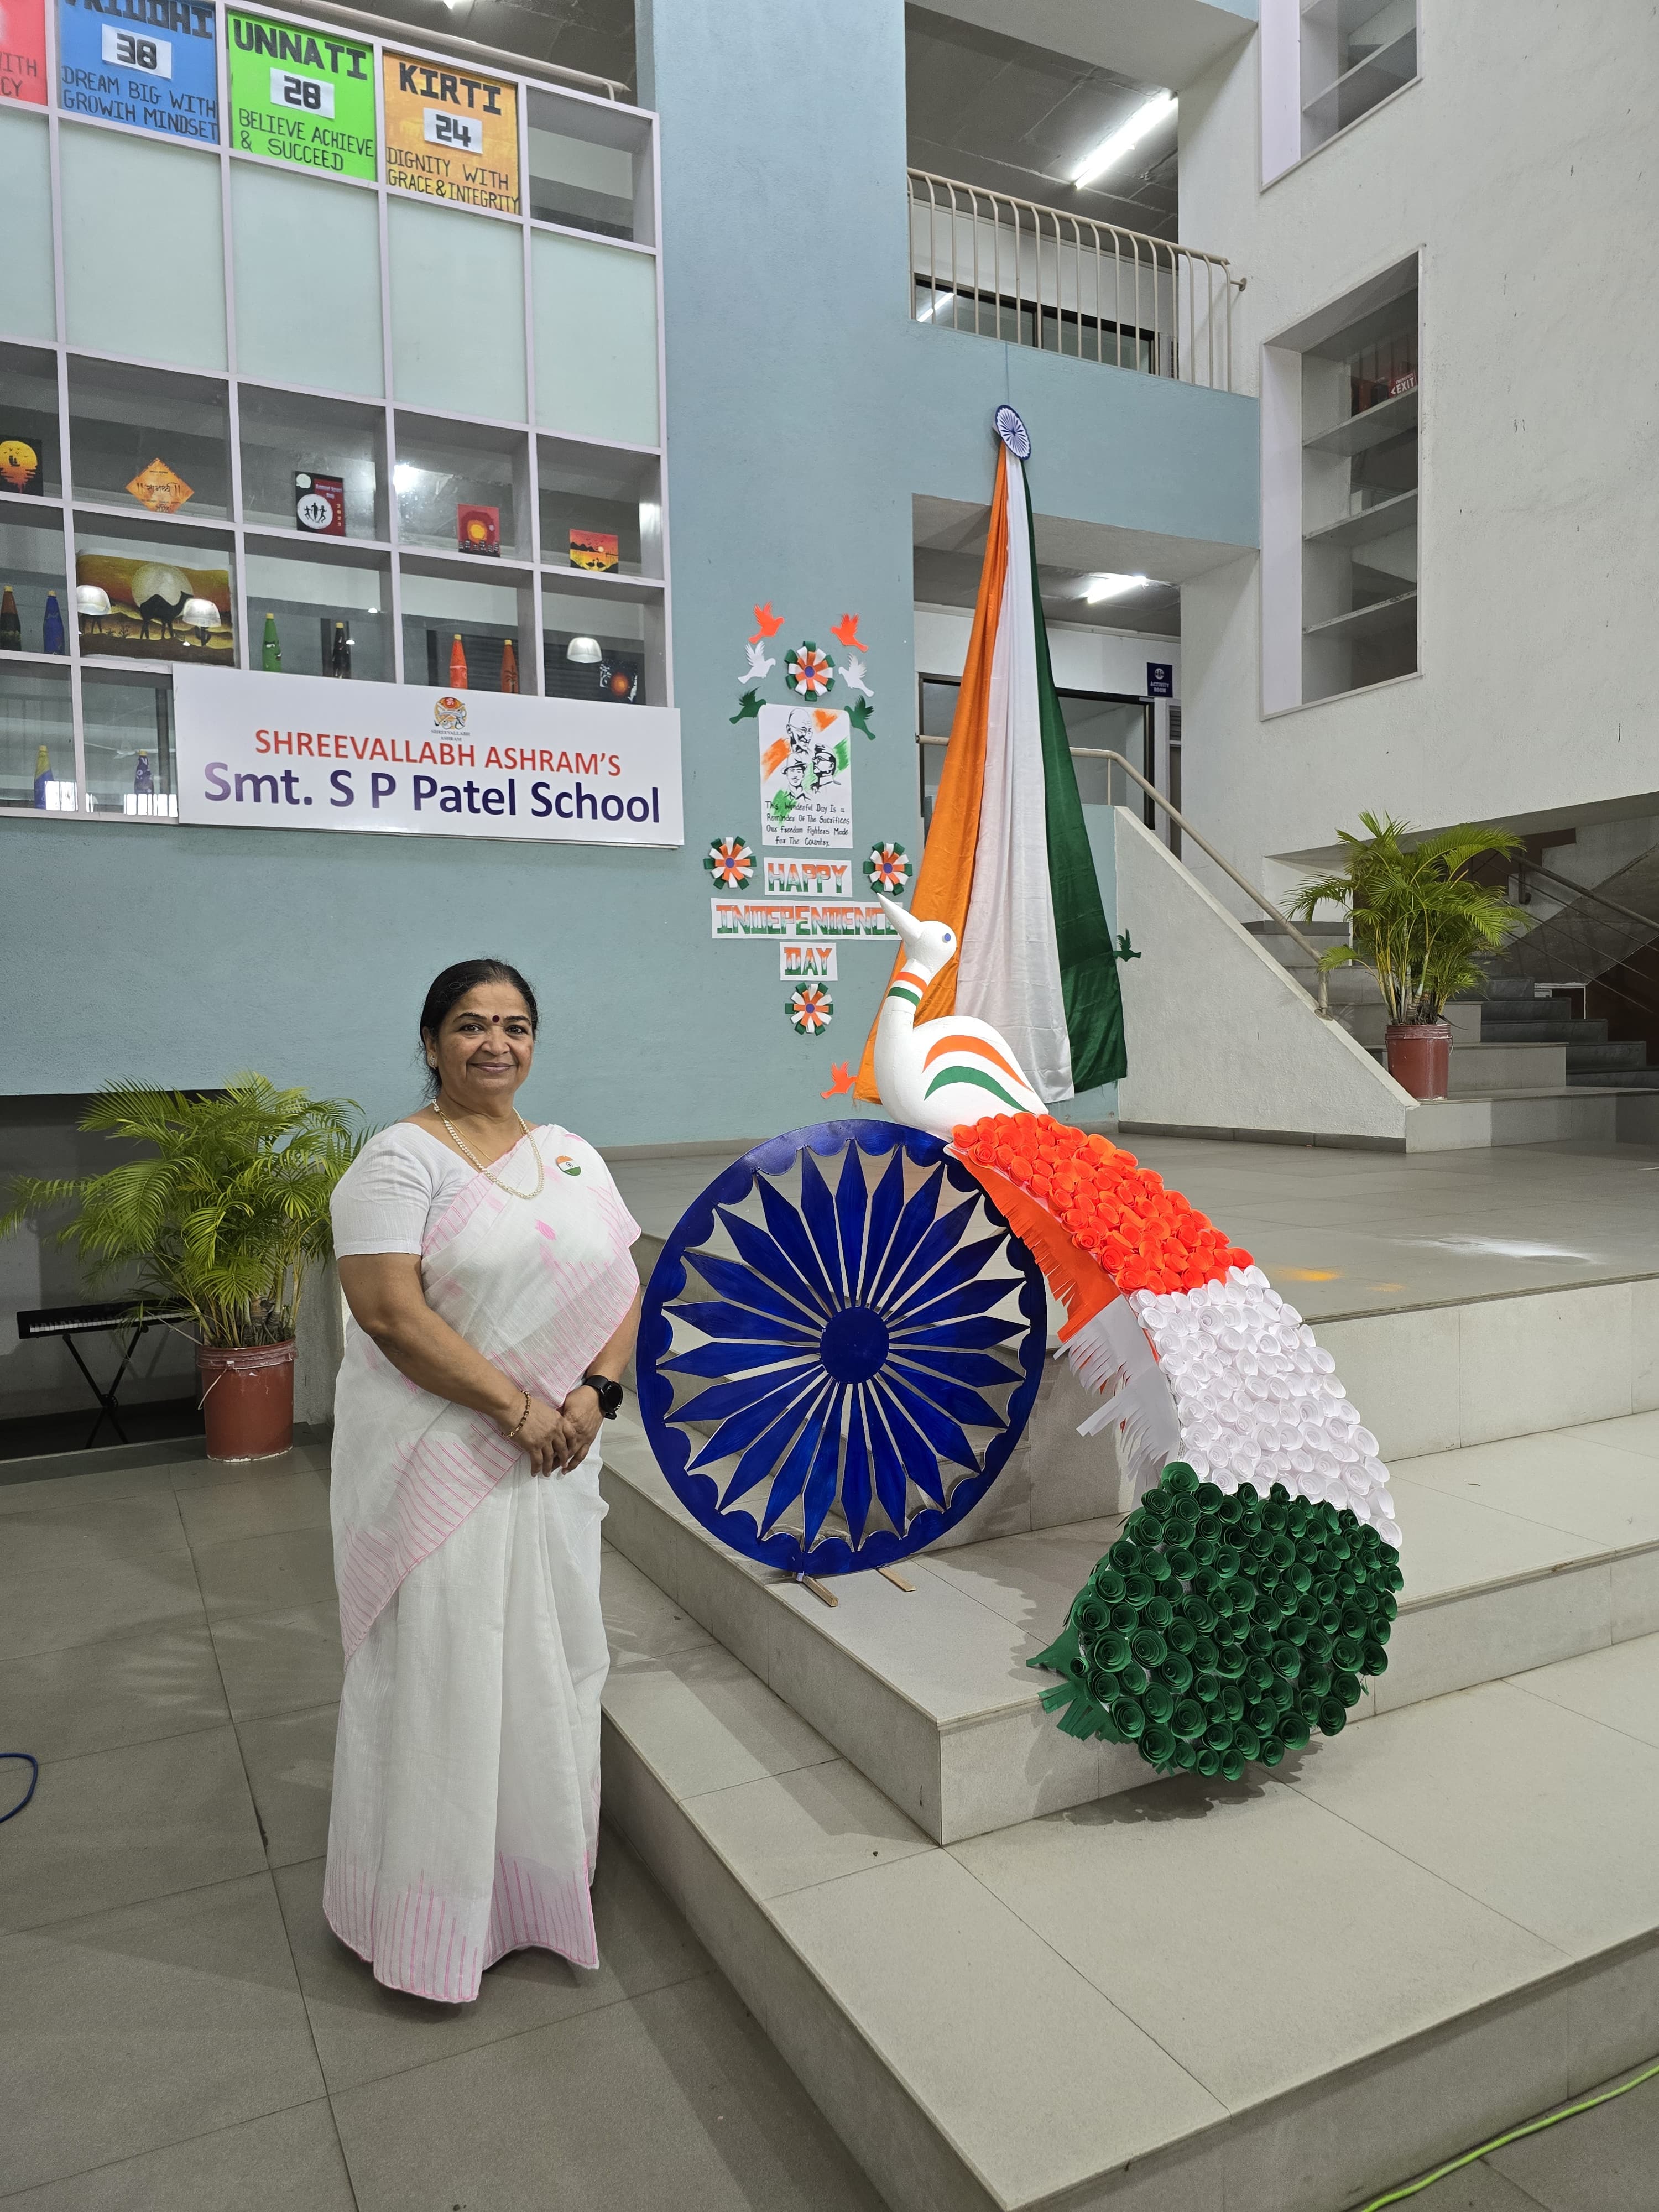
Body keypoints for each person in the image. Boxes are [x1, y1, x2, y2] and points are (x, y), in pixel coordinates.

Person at [322, 957, 641, 2003]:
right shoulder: (399, 1162)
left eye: (514, 1025)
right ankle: (430, 1915)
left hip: (556, 1466)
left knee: (552, 1664)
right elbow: (390, 1315)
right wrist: (515, 1409)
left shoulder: (572, 1154)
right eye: (470, 1025)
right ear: (431, 1044)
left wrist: (596, 1393)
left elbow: (624, 1283)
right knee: (447, 1678)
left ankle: (536, 1883)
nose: (495, 1044)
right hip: (444, 1467)